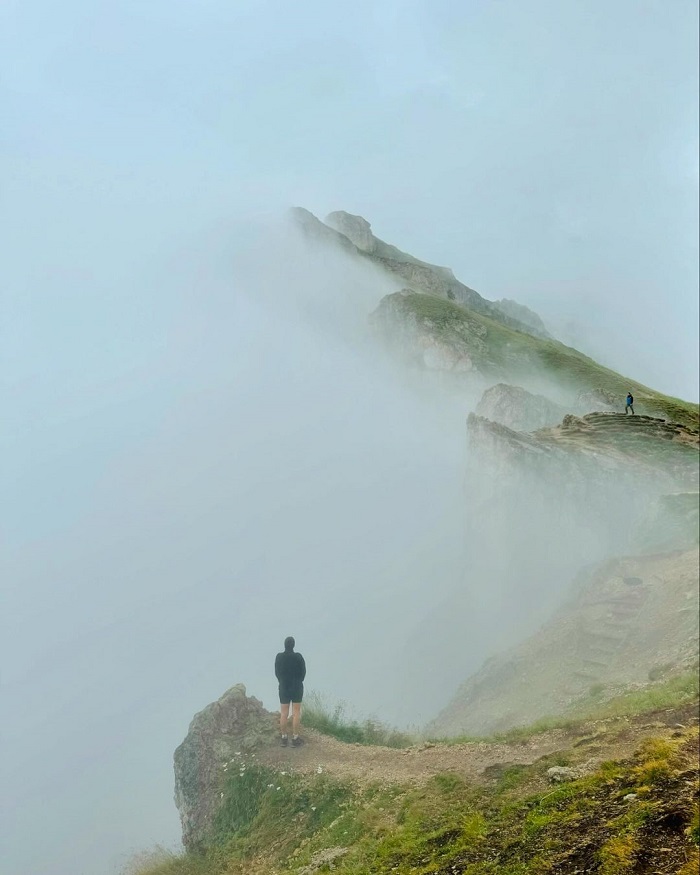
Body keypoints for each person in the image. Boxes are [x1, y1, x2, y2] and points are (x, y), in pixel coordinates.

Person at [275, 636, 306, 747]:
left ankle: (284, 738)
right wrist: (298, 681)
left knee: (284, 713)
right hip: (296, 686)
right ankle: (295, 737)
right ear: (293, 645)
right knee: (296, 712)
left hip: (284, 686)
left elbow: (277, 673)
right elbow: (303, 673)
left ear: (284, 645)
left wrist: (282, 681)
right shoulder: (298, 657)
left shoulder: (279, 657)